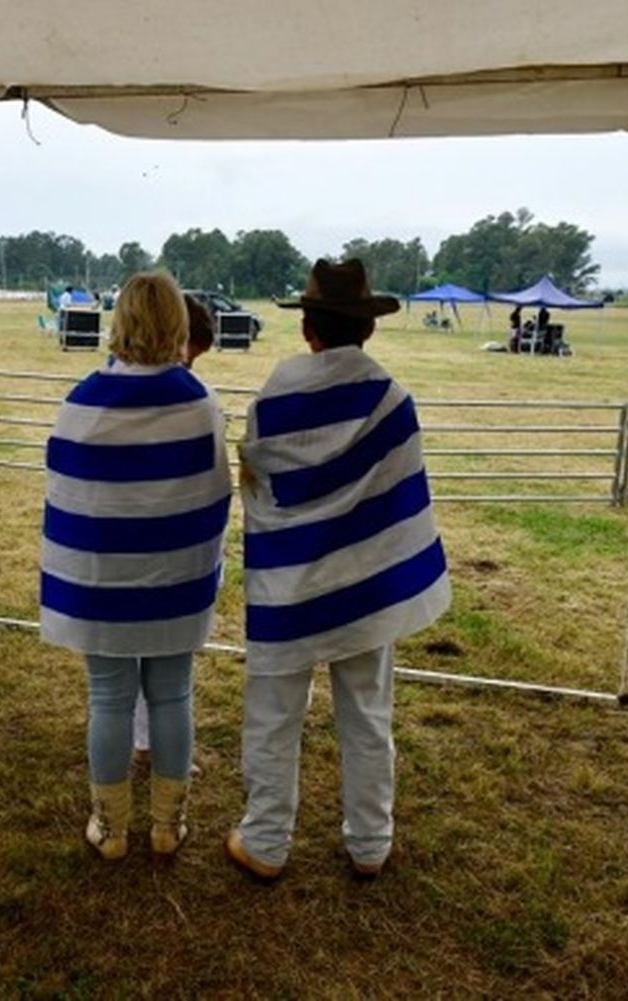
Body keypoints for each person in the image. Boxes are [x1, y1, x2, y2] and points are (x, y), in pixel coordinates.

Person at [227, 258, 452, 881]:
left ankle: (266, 842)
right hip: (367, 586)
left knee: (273, 713)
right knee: (368, 712)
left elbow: (260, 478)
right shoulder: (392, 401)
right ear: (368, 329)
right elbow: (399, 496)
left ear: (308, 329)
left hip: (290, 585)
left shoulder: (276, 398)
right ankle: (371, 843)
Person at [41, 271, 232, 860]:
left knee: (108, 698)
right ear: (177, 323)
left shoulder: (83, 402)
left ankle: (112, 829)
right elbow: (215, 495)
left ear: (119, 321)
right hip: (175, 583)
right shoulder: (199, 404)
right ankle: (168, 827)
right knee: (173, 695)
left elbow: (70, 496)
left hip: (102, 586)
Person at [131, 292, 219, 765]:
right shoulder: (187, 401)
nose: (191, 368)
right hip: (155, 550)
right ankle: (146, 745)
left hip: (142, 550)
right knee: (161, 675)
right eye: (191, 355)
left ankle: (144, 742)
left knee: (139, 670)